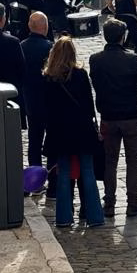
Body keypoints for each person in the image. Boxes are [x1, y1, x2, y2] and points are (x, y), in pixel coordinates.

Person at [42, 37, 105, 228]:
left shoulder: (48, 77)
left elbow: (47, 109)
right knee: (87, 170)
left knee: (63, 173)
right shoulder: (80, 74)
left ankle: (63, 217)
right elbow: (88, 104)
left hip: (60, 132)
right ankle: (94, 216)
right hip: (81, 129)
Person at [89, 18, 137, 218]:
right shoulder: (132, 59)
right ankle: (133, 202)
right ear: (122, 37)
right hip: (131, 115)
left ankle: (109, 203)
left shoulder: (96, 59)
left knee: (110, 161)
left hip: (108, 116)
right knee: (133, 161)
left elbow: (96, 82)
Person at [20, 12, 53, 172]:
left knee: (34, 140)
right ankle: (54, 178)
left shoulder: (21, 46)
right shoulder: (50, 47)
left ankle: (35, 177)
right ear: (46, 27)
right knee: (53, 139)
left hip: (31, 100)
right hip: (49, 101)